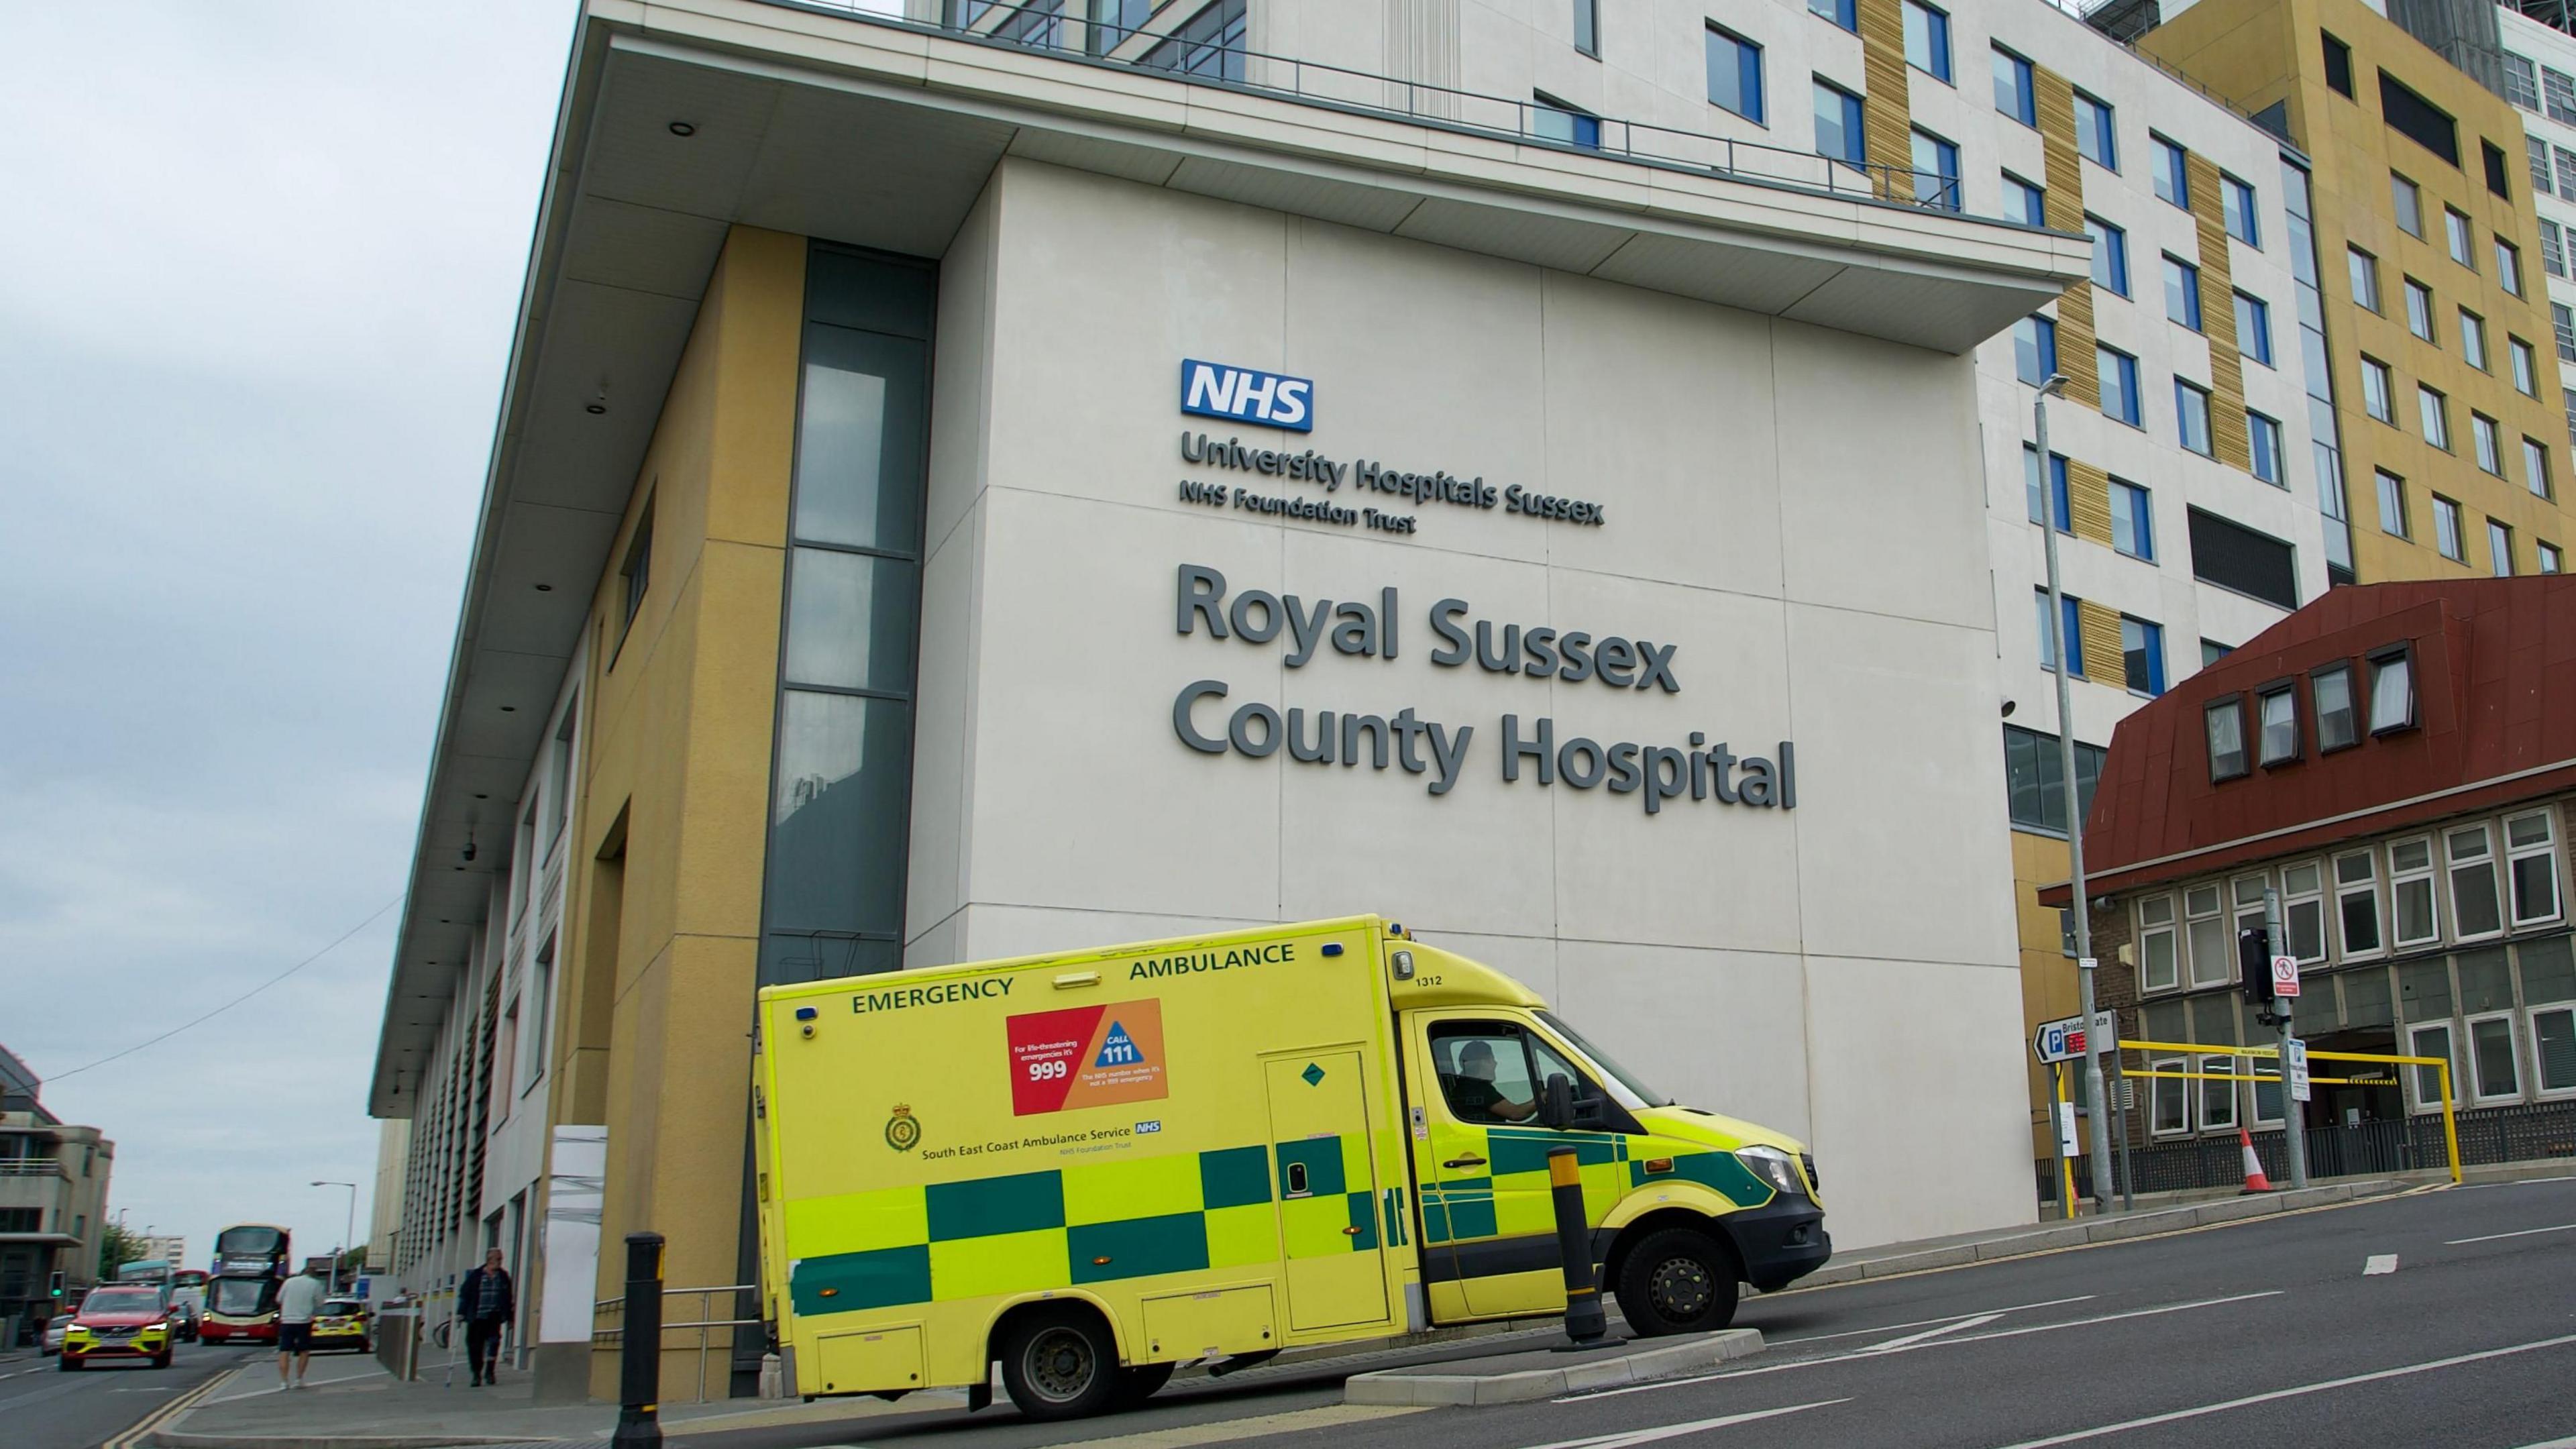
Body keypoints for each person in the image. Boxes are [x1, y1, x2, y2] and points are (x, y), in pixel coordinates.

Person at [458, 1248, 515, 1387]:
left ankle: (490, 1371)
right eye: (498, 1259)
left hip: (494, 1316)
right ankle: (476, 1374)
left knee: (494, 1343)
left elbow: (508, 1298)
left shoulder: (503, 1276)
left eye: (501, 1259)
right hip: (477, 1317)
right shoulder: (476, 1276)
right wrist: (461, 1312)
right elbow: (465, 1295)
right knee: (475, 1346)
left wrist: (510, 1317)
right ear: (490, 1260)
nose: (501, 1262)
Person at [1444, 1039, 1537, 1123]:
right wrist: (1543, 1097)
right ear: (1481, 1063)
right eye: (1491, 1059)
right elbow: (1516, 1114)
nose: (1495, 1063)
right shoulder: (1479, 1089)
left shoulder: (1462, 1087)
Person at [275, 1268, 327, 1389]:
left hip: (287, 1321)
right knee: (304, 1351)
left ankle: (284, 1382)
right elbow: (320, 1303)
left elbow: (278, 1299)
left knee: (284, 1351)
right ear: (313, 1276)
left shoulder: (289, 1282)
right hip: (304, 1321)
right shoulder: (315, 1284)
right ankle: (299, 1379)